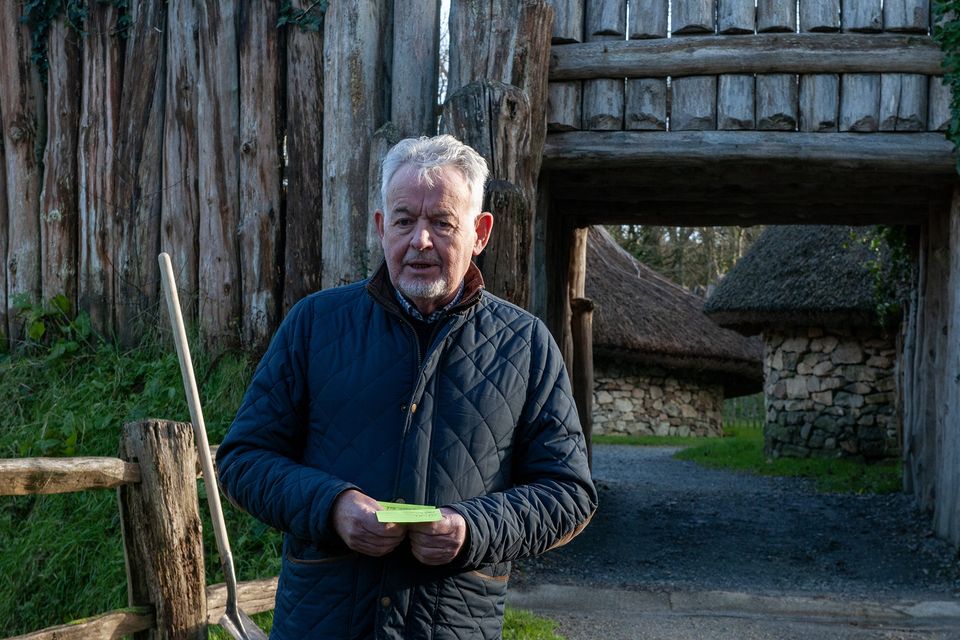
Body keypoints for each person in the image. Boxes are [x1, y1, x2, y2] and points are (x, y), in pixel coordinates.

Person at [216, 134, 597, 640]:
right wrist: (332, 507)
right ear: (381, 227)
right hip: (322, 623)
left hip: (451, 625)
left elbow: (568, 494)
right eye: (403, 221)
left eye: (442, 223)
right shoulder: (316, 324)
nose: (420, 241)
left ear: (480, 232)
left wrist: (472, 529)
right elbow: (243, 460)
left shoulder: (526, 344)